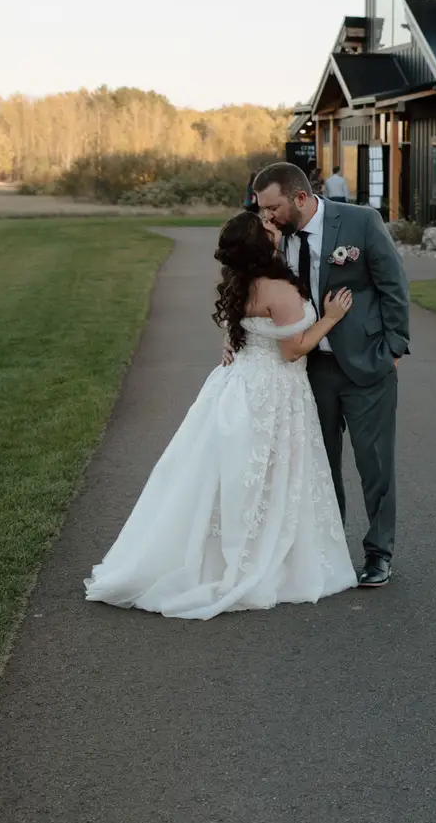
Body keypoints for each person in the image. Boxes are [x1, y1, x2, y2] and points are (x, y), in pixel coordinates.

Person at [84, 213, 359, 618]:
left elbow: (239, 331)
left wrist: (233, 345)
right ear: (262, 246)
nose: (274, 226)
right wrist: (330, 319)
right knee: (267, 474)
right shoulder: (278, 289)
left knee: (227, 474)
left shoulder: (239, 283)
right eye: (267, 228)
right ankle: (257, 558)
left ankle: (218, 553)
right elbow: (292, 349)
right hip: (272, 392)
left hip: (236, 385)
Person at [250, 161, 409, 588]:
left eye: (272, 207)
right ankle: (331, 547)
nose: (266, 216)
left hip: (367, 366)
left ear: (300, 198)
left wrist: (393, 348)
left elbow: (393, 285)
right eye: (261, 209)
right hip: (308, 369)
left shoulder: (361, 222)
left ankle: (379, 554)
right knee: (319, 464)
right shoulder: (271, 239)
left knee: (374, 463)